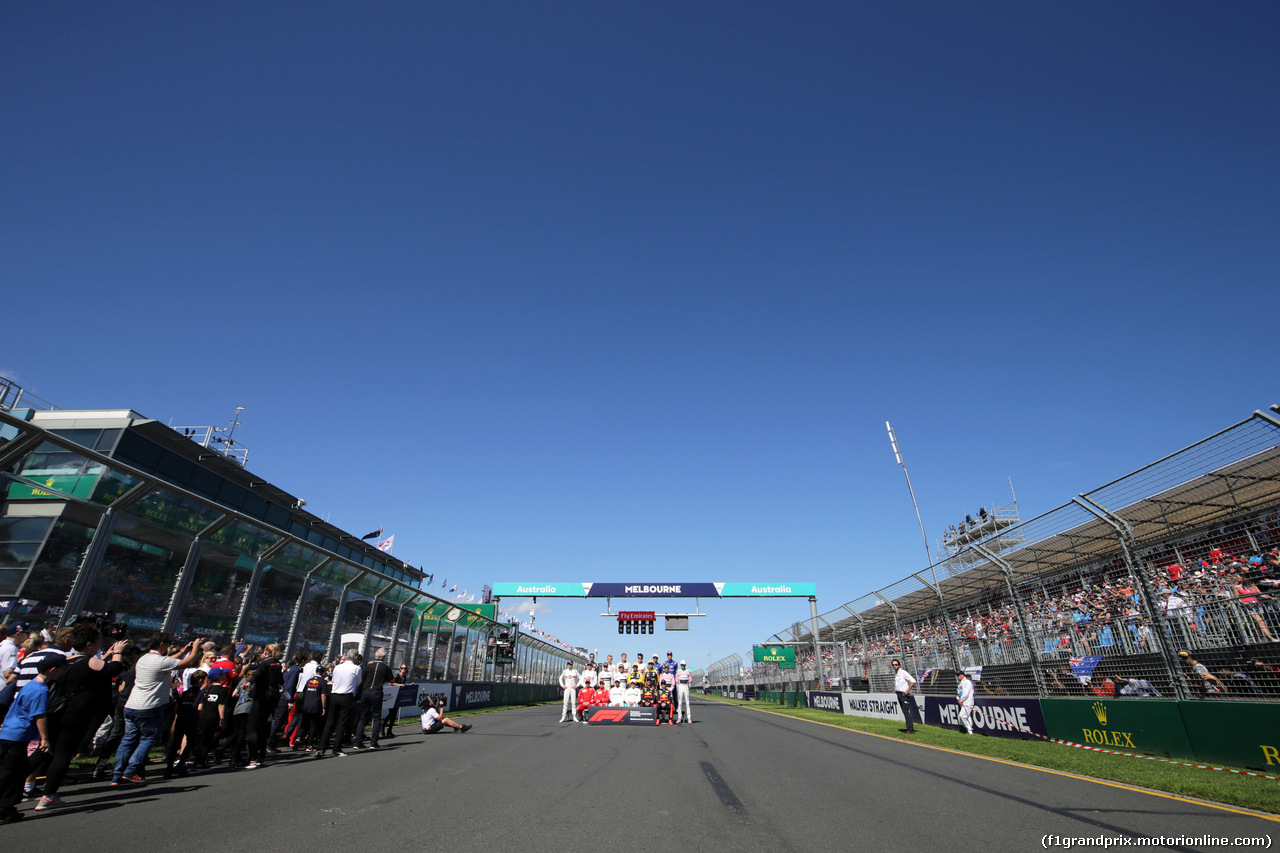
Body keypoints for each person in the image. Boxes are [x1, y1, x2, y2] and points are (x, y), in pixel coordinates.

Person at [112, 633, 203, 785]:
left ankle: (117, 774)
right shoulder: (159, 661)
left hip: (131, 705)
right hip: (150, 706)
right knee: (148, 738)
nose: (168, 646)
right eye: (168, 643)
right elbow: (187, 662)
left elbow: (170, 660)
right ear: (162, 644)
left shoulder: (144, 658)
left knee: (128, 740)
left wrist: (183, 650)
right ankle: (131, 770)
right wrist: (195, 648)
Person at [0, 655, 65, 824]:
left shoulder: (30, 685)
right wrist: (44, 738)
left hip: (10, 731)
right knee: (11, 773)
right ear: (52, 670)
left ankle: (8, 807)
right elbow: (39, 715)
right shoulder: (40, 690)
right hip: (18, 734)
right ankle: (5, 808)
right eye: (61, 669)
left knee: (13, 771)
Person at [316, 650, 361, 758]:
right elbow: (358, 682)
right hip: (347, 695)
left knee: (330, 722)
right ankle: (336, 749)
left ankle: (322, 748)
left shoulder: (338, 667)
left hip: (334, 694)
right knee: (342, 723)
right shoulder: (356, 668)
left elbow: (334, 680)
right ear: (354, 658)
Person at [355, 648, 392, 750]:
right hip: (376, 692)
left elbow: (362, 679)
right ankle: (373, 742)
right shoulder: (385, 668)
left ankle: (358, 742)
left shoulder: (368, 667)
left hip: (366, 691)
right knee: (376, 717)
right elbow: (392, 680)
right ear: (384, 657)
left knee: (363, 717)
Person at [891, 659, 917, 734]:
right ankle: (909, 728)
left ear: (899, 665)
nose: (894, 666)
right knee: (904, 711)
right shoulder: (896, 673)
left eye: (896, 664)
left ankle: (910, 729)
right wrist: (895, 688)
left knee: (906, 711)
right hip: (899, 694)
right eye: (893, 665)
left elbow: (913, 680)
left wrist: (907, 690)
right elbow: (895, 682)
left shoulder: (903, 672)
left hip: (904, 694)